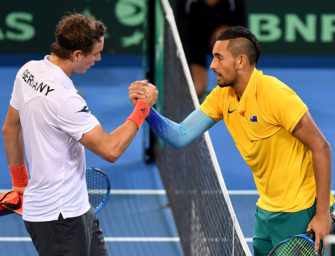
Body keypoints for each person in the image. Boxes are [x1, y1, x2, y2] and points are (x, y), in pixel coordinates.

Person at [129, 26, 334, 255]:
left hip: (300, 211)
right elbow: (179, 136)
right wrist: (145, 109)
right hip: (266, 212)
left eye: (219, 58)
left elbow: (321, 147)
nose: (212, 66)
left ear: (241, 61)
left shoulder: (275, 95)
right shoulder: (222, 95)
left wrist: (323, 214)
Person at [2, 13, 157, 256]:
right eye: (95, 53)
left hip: (77, 208)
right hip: (59, 220)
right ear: (76, 55)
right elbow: (111, 150)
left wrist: (20, 182)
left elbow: (9, 128)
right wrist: (142, 108)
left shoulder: (28, 72)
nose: (99, 58)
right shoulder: (66, 100)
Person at [176, 0, 247, 99]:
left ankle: (229, 92)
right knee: (197, 87)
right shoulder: (186, 3)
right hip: (194, 44)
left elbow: (242, 35)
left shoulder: (234, 3)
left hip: (223, 42)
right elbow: (182, 38)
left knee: (224, 35)